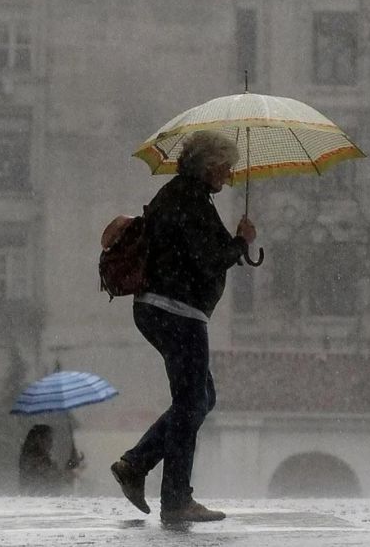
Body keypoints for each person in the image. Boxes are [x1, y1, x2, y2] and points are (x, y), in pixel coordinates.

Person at [110, 130, 256, 523]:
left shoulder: (181, 195)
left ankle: (136, 464)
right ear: (208, 165)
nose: (229, 175)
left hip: (162, 310)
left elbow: (199, 251)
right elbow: (209, 258)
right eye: (225, 166)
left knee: (200, 398)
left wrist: (235, 244)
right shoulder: (190, 200)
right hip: (177, 312)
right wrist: (241, 242)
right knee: (193, 402)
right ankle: (175, 499)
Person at [18, 424, 82, 496]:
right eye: (49, 440)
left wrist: (69, 466)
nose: (51, 444)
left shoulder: (41, 458)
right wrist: (67, 472)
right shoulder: (34, 459)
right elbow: (50, 477)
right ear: (39, 439)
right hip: (38, 501)